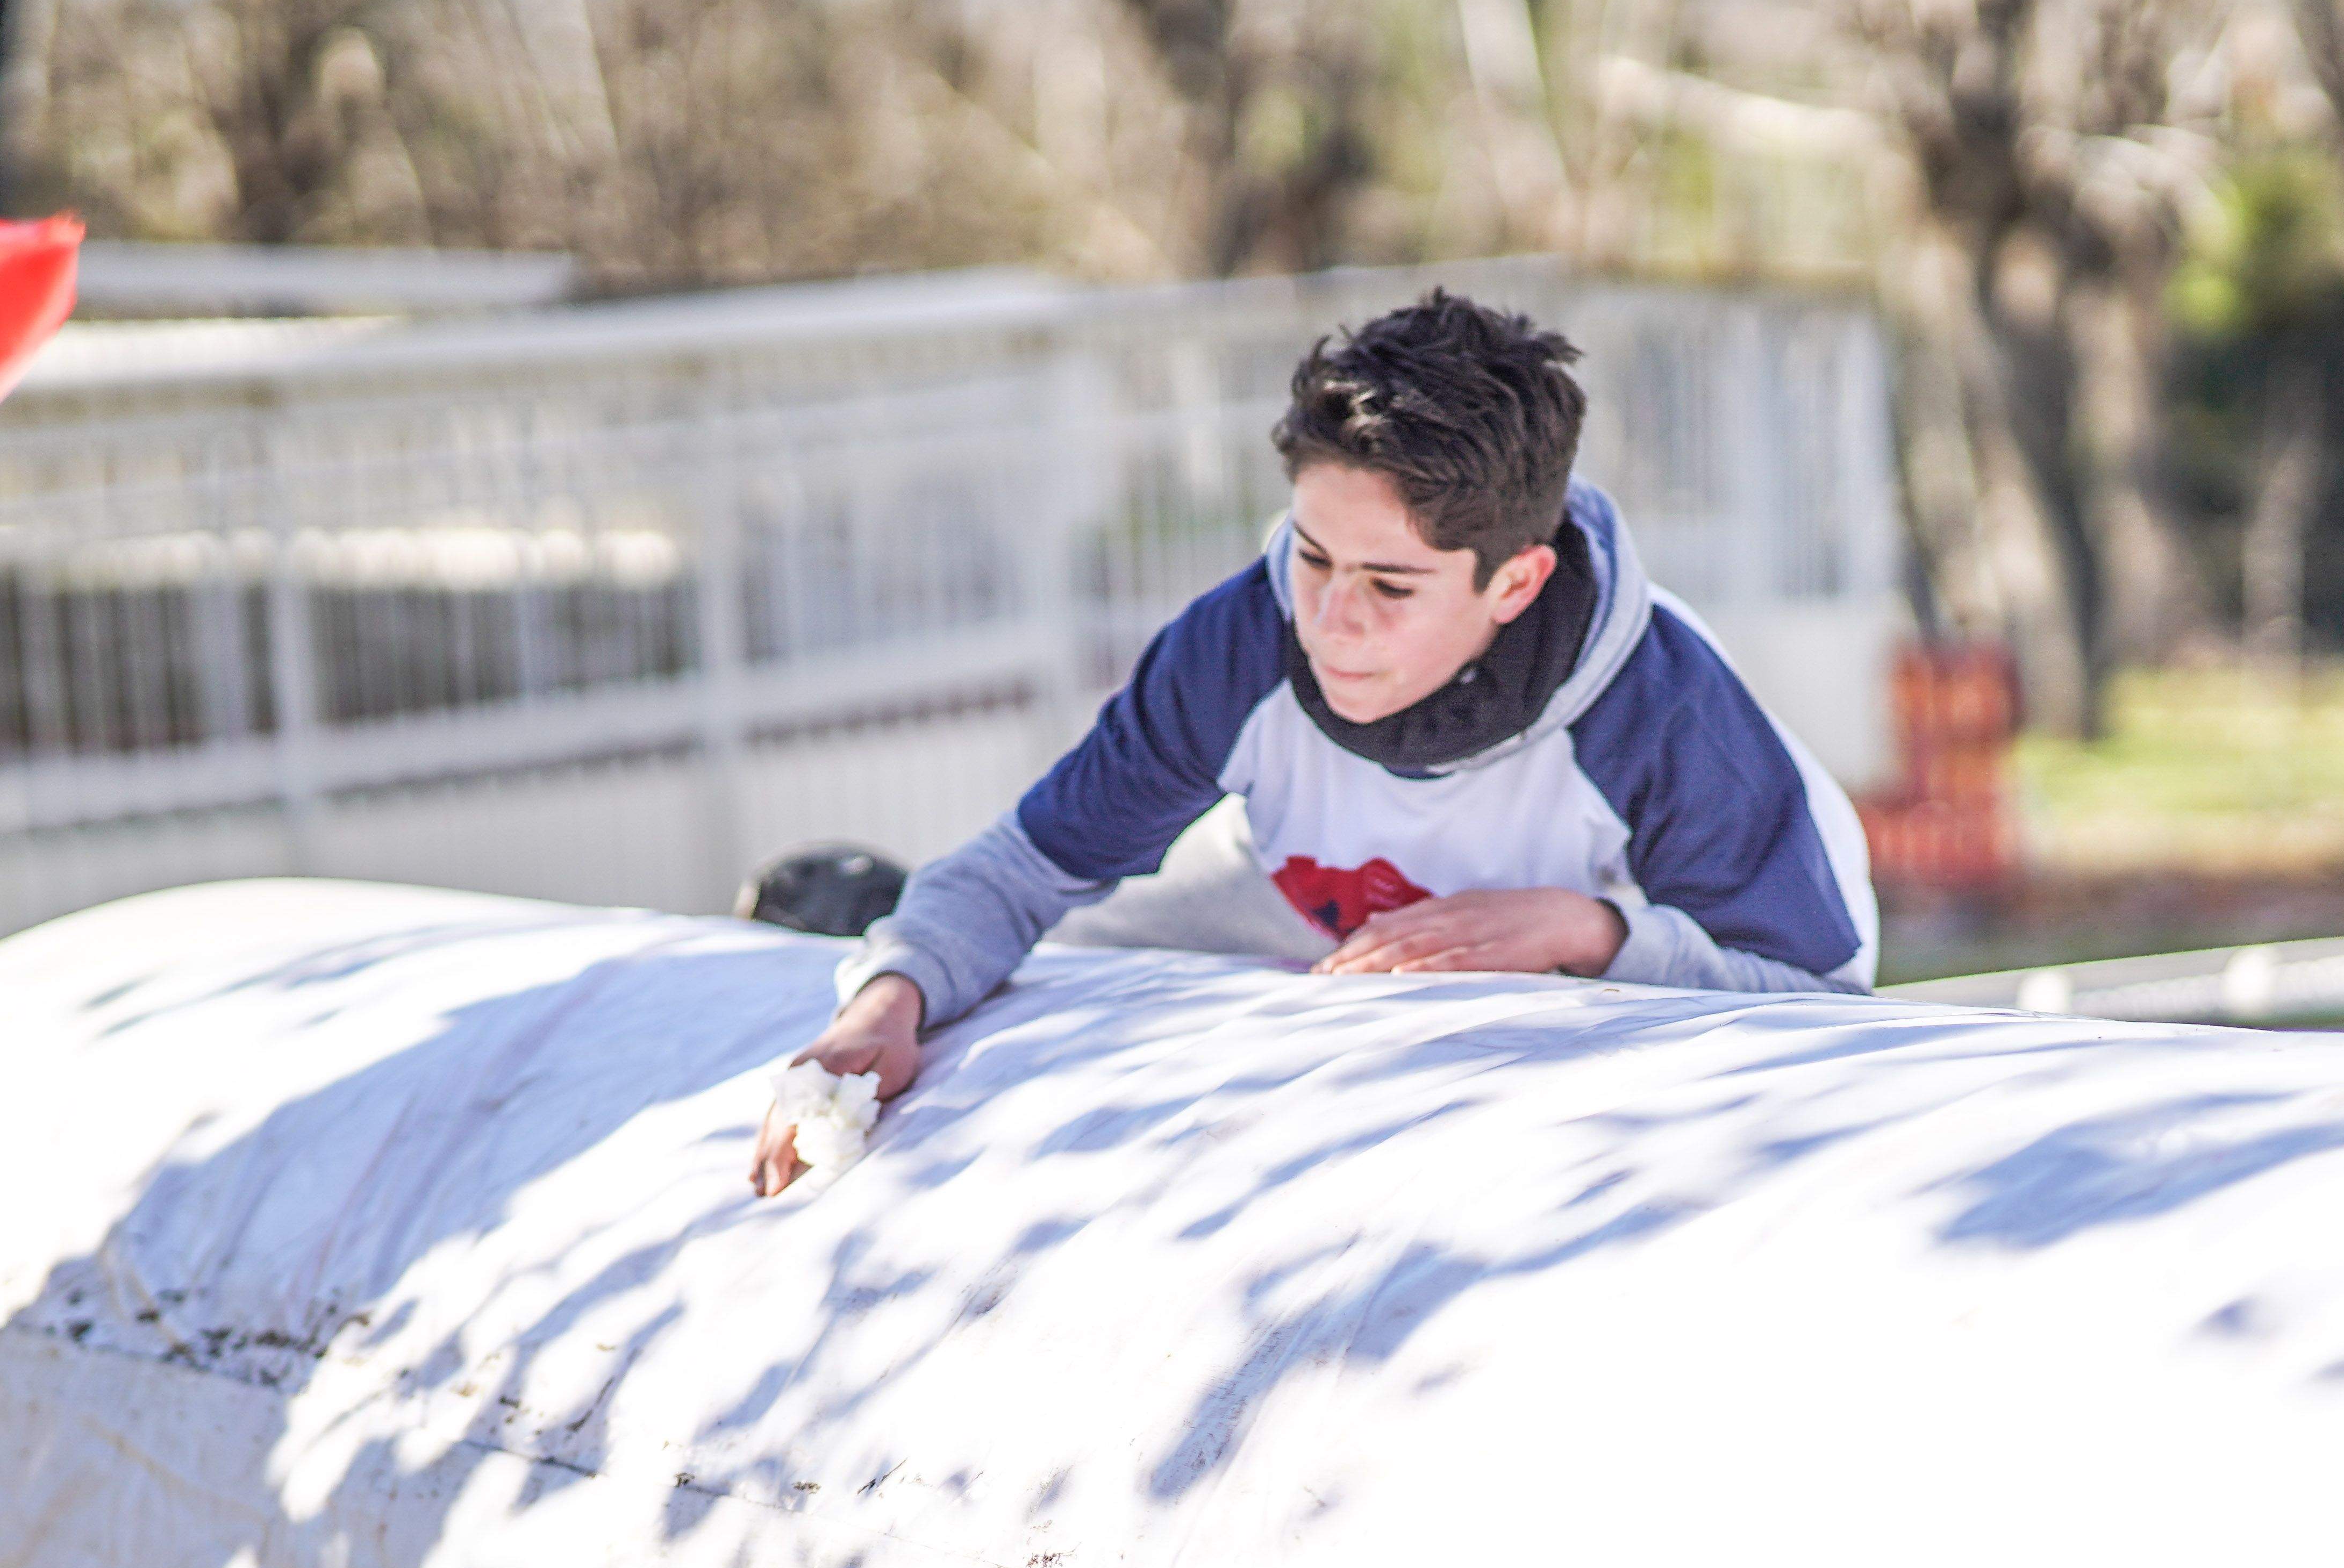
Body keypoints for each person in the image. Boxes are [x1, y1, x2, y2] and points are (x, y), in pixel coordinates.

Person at [752, 290, 1877, 1194]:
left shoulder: (1670, 722)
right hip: (1296, 906)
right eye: (1312, 553)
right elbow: (1029, 867)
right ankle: (871, 913)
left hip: (1621, 944)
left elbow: (1820, 1004)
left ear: (1517, 582)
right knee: (1051, 943)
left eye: (1391, 584)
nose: (1330, 619)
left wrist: (1583, 930)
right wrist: (883, 1002)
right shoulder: (1242, 639)